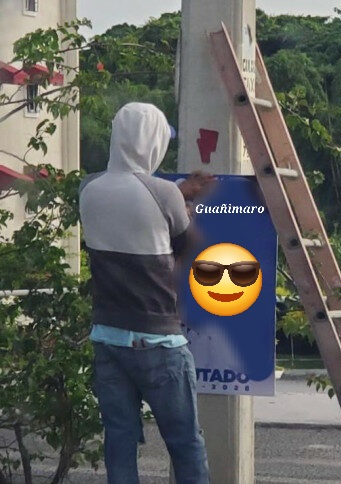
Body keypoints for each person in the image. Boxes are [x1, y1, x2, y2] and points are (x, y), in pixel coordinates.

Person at [79, 102, 211, 484]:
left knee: (119, 441)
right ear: (152, 141)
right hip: (157, 341)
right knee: (185, 444)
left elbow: (131, 218)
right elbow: (188, 247)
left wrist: (177, 197)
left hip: (107, 337)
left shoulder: (88, 188)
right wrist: (185, 203)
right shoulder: (165, 193)